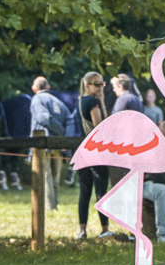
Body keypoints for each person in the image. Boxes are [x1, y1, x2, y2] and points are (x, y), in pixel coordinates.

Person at [75, 72, 115, 240]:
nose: (99, 87)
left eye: (102, 84)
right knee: (101, 191)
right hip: (96, 153)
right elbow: (100, 127)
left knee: (84, 192)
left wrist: (103, 102)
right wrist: (102, 104)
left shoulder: (79, 102)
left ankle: (82, 231)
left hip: (81, 152)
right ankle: (104, 229)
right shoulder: (92, 102)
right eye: (96, 84)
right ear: (87, 85)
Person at [29, 76, 69, 211]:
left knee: (46, 176)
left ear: (34, 89)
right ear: (48, 87)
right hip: (58, 145)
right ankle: (55, 204)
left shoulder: (37, 99)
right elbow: (69, 121)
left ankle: (50, 207)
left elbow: (43, 118)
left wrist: (59, 131)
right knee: (55, 177)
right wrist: (62, 136)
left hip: (43, 143)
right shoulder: (60, 102)